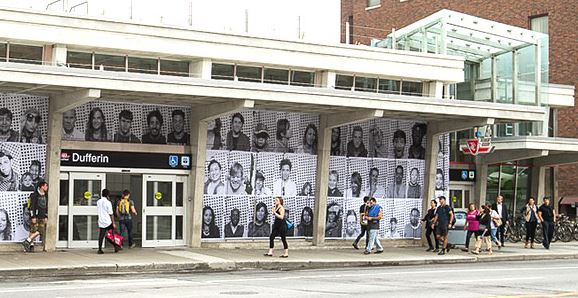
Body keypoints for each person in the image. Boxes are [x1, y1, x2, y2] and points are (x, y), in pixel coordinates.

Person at [24, 182, 49, 253]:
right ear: (41, 187)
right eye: (45, 186)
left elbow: (46, 206)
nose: (47, 188)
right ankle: (30, 245)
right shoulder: (34, 195)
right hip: (35, 215)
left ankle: (28, 240)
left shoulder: (46, 195)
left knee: (41, 230)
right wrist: (33, 216)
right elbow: (32, 206)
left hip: (42, 215)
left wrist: (46, 216)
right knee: (33, 230)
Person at [96, 189, 118, 254]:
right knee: (111, 235)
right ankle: (115, 246)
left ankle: (99, 249)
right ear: (108, 195)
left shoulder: (98, 202)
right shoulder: (108, 202)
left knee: (101, 236)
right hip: (108, 222)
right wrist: (113, 223)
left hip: (101, 221)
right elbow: (111, 213)